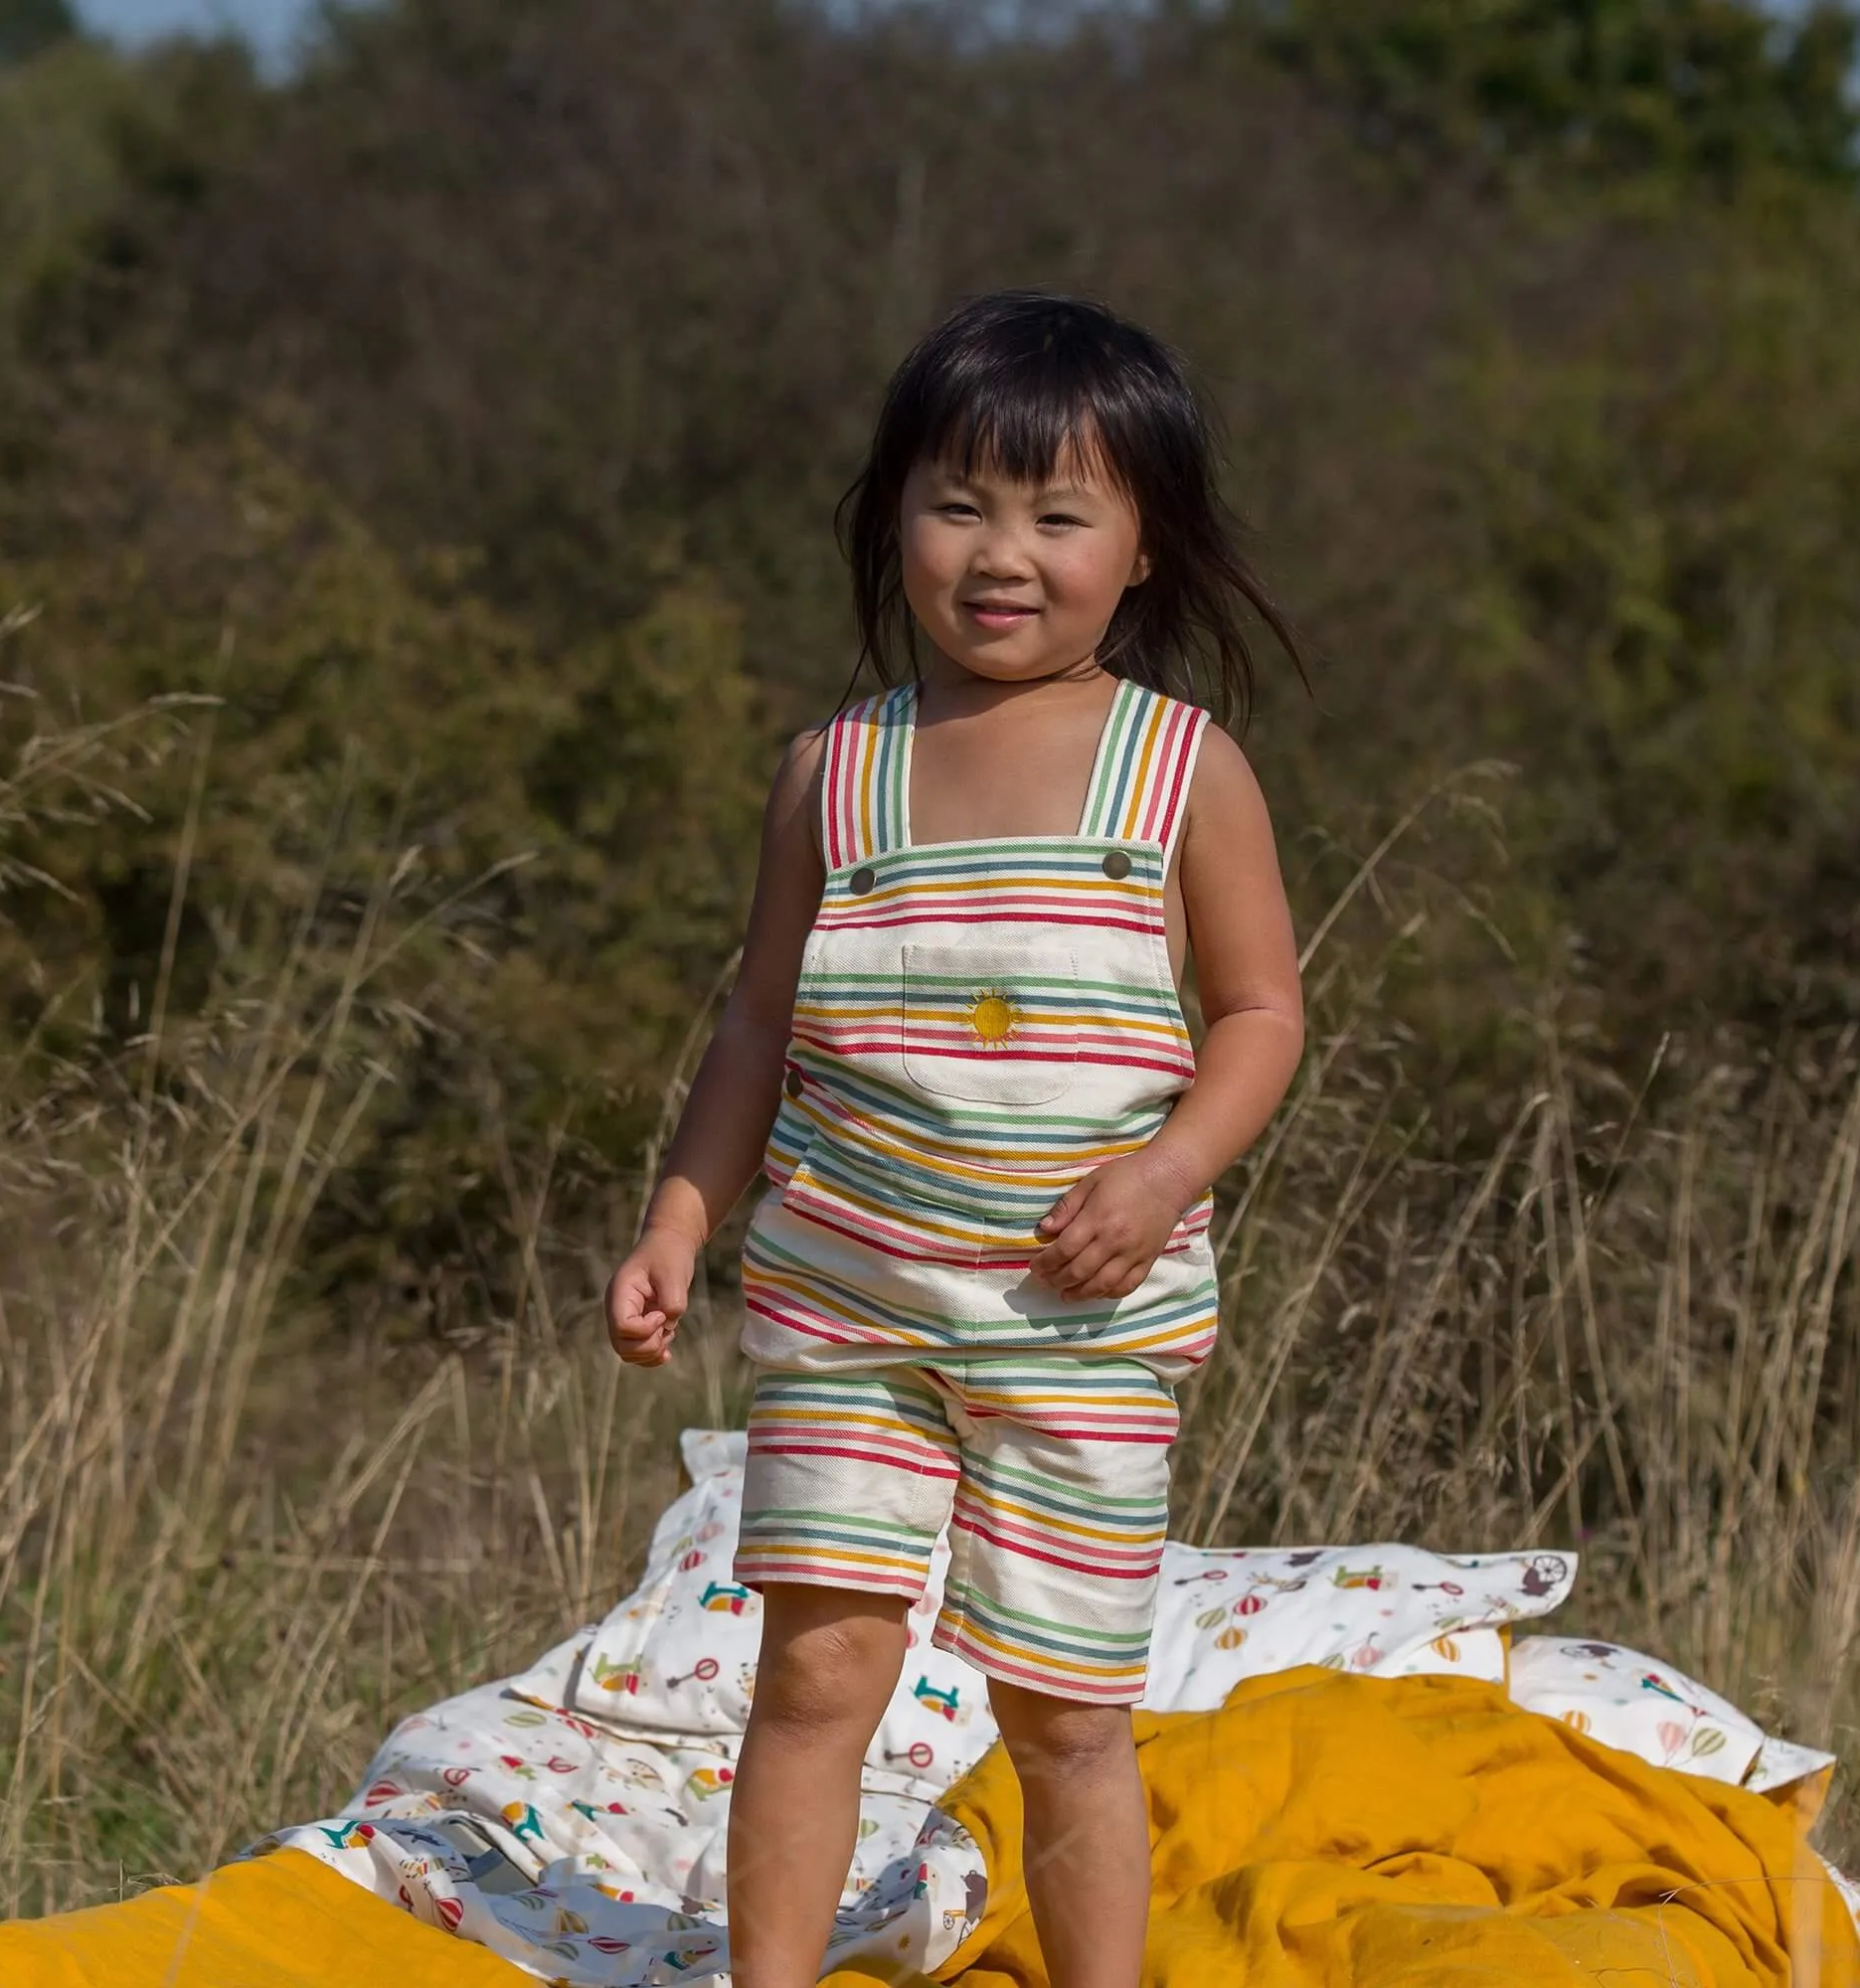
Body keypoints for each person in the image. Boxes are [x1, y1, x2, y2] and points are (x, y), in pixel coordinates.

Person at [604, 290, 1308, 1988]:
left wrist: (1160, 1179)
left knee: (1062, 1711)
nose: (1005, 554)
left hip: (1079, 1325)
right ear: (893, 515)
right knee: (816, 1676)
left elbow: (1262, 1018)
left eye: (1061, 515)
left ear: (1142, 551)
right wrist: (680, 1221)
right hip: (847, 1304)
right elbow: (759, 1028)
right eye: (959, 503)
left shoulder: (1179, 770)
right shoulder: (833, 774)